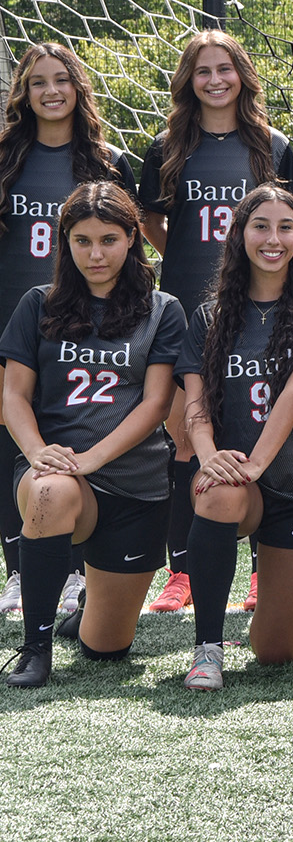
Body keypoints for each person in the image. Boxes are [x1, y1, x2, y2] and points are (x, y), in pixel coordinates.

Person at [138, 29, 293, 615]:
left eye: (224, 69)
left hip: (261, 306)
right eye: (202, 71)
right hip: (188, 306)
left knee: (259, 429)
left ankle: (263, 567)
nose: (214, 81)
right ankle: (180, 570)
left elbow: (287, 224)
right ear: (189, 81)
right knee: (187, 436)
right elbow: (153, 224)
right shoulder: (168, 146)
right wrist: (190, 254)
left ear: (242, 76)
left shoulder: (273, 146)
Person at [0, 183, 184, 686]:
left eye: (108, 239)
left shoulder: (163, 309)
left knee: (106, 648)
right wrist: (39, 453)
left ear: (131, 238)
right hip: (60, 472)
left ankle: (90, 607)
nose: (95, 253)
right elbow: (12, 396)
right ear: (66, 242)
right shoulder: (39, 304)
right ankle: (34, 648)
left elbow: (156, 404)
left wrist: (92, 458)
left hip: (136, 484)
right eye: (82, 241)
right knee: (48, 489)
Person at [174, 184, 293, 690]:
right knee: (221, 492)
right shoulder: (209, 317)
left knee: (275, 651)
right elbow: (197, 404)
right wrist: (211, 460)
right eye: (260, 226)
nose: (272, 238)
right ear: (239, 235)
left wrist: (254, 463)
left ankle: (280, 623)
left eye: (285, 227)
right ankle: (207, 648)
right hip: (236, 479)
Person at [0, 43, 138, 617]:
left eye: (61, 80)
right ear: (23, 94)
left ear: (79, 88)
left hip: (87, 322)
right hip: (15, 311)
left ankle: (77, 570)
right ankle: (19, 566)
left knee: (73, 431)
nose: (51, 91)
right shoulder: (5, 156)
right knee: (12, 436)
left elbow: (132, 236)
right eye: (38, 82)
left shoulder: (107, 162)